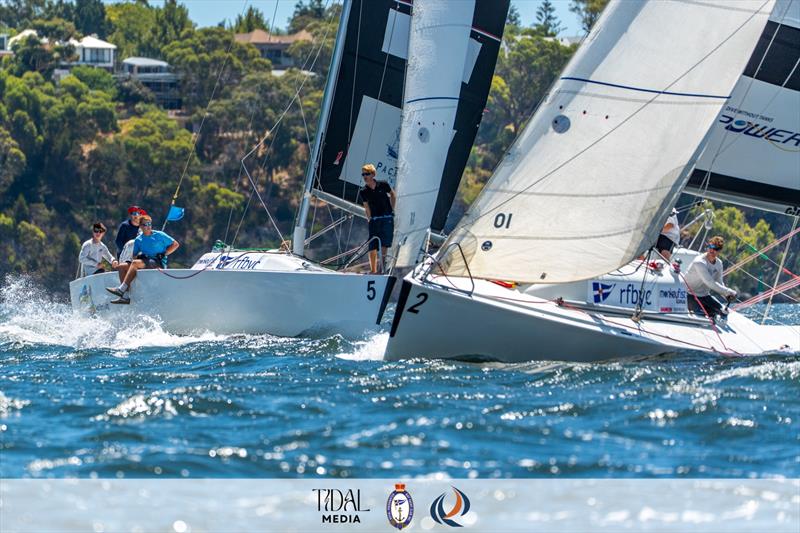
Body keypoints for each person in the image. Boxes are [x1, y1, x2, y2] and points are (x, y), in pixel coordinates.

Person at [106, 215, 179, 304]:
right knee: (121, 266)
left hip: (158, 262)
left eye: (149, 224)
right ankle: (125, 297)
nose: (148, 226)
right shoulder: (138, 240)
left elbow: (175, 244)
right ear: (140, 226)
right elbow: (134, 256)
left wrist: (164, 254)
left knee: (135, 263)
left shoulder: (159, 235)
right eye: (145, 224)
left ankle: (121, 289)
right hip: (145, 262)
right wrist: (139, 256)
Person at [684, 236, 737, 322]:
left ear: (719, 251)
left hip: (704, 296)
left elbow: (719, 282)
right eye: (710, 247)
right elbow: (709, 282)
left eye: (715, 248)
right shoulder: (699, 262)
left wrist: (727, 295)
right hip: (689, 295)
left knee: (723, 312)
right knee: (700, 314)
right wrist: (728, 291)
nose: (712, 250)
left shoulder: (719, 263)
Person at [358, 163, 396, 273]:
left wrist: (391, 210)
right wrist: (369, 219)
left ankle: (381, 268)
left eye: (367, 174)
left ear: (373, 174)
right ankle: (373, 270)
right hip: (375, 219)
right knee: (372, 245)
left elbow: (393, 195)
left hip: (387, 218)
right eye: (363, 174)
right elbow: (366, 206)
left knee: (384, 243)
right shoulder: (363, 191)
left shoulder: (383, 185)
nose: (365, 176)